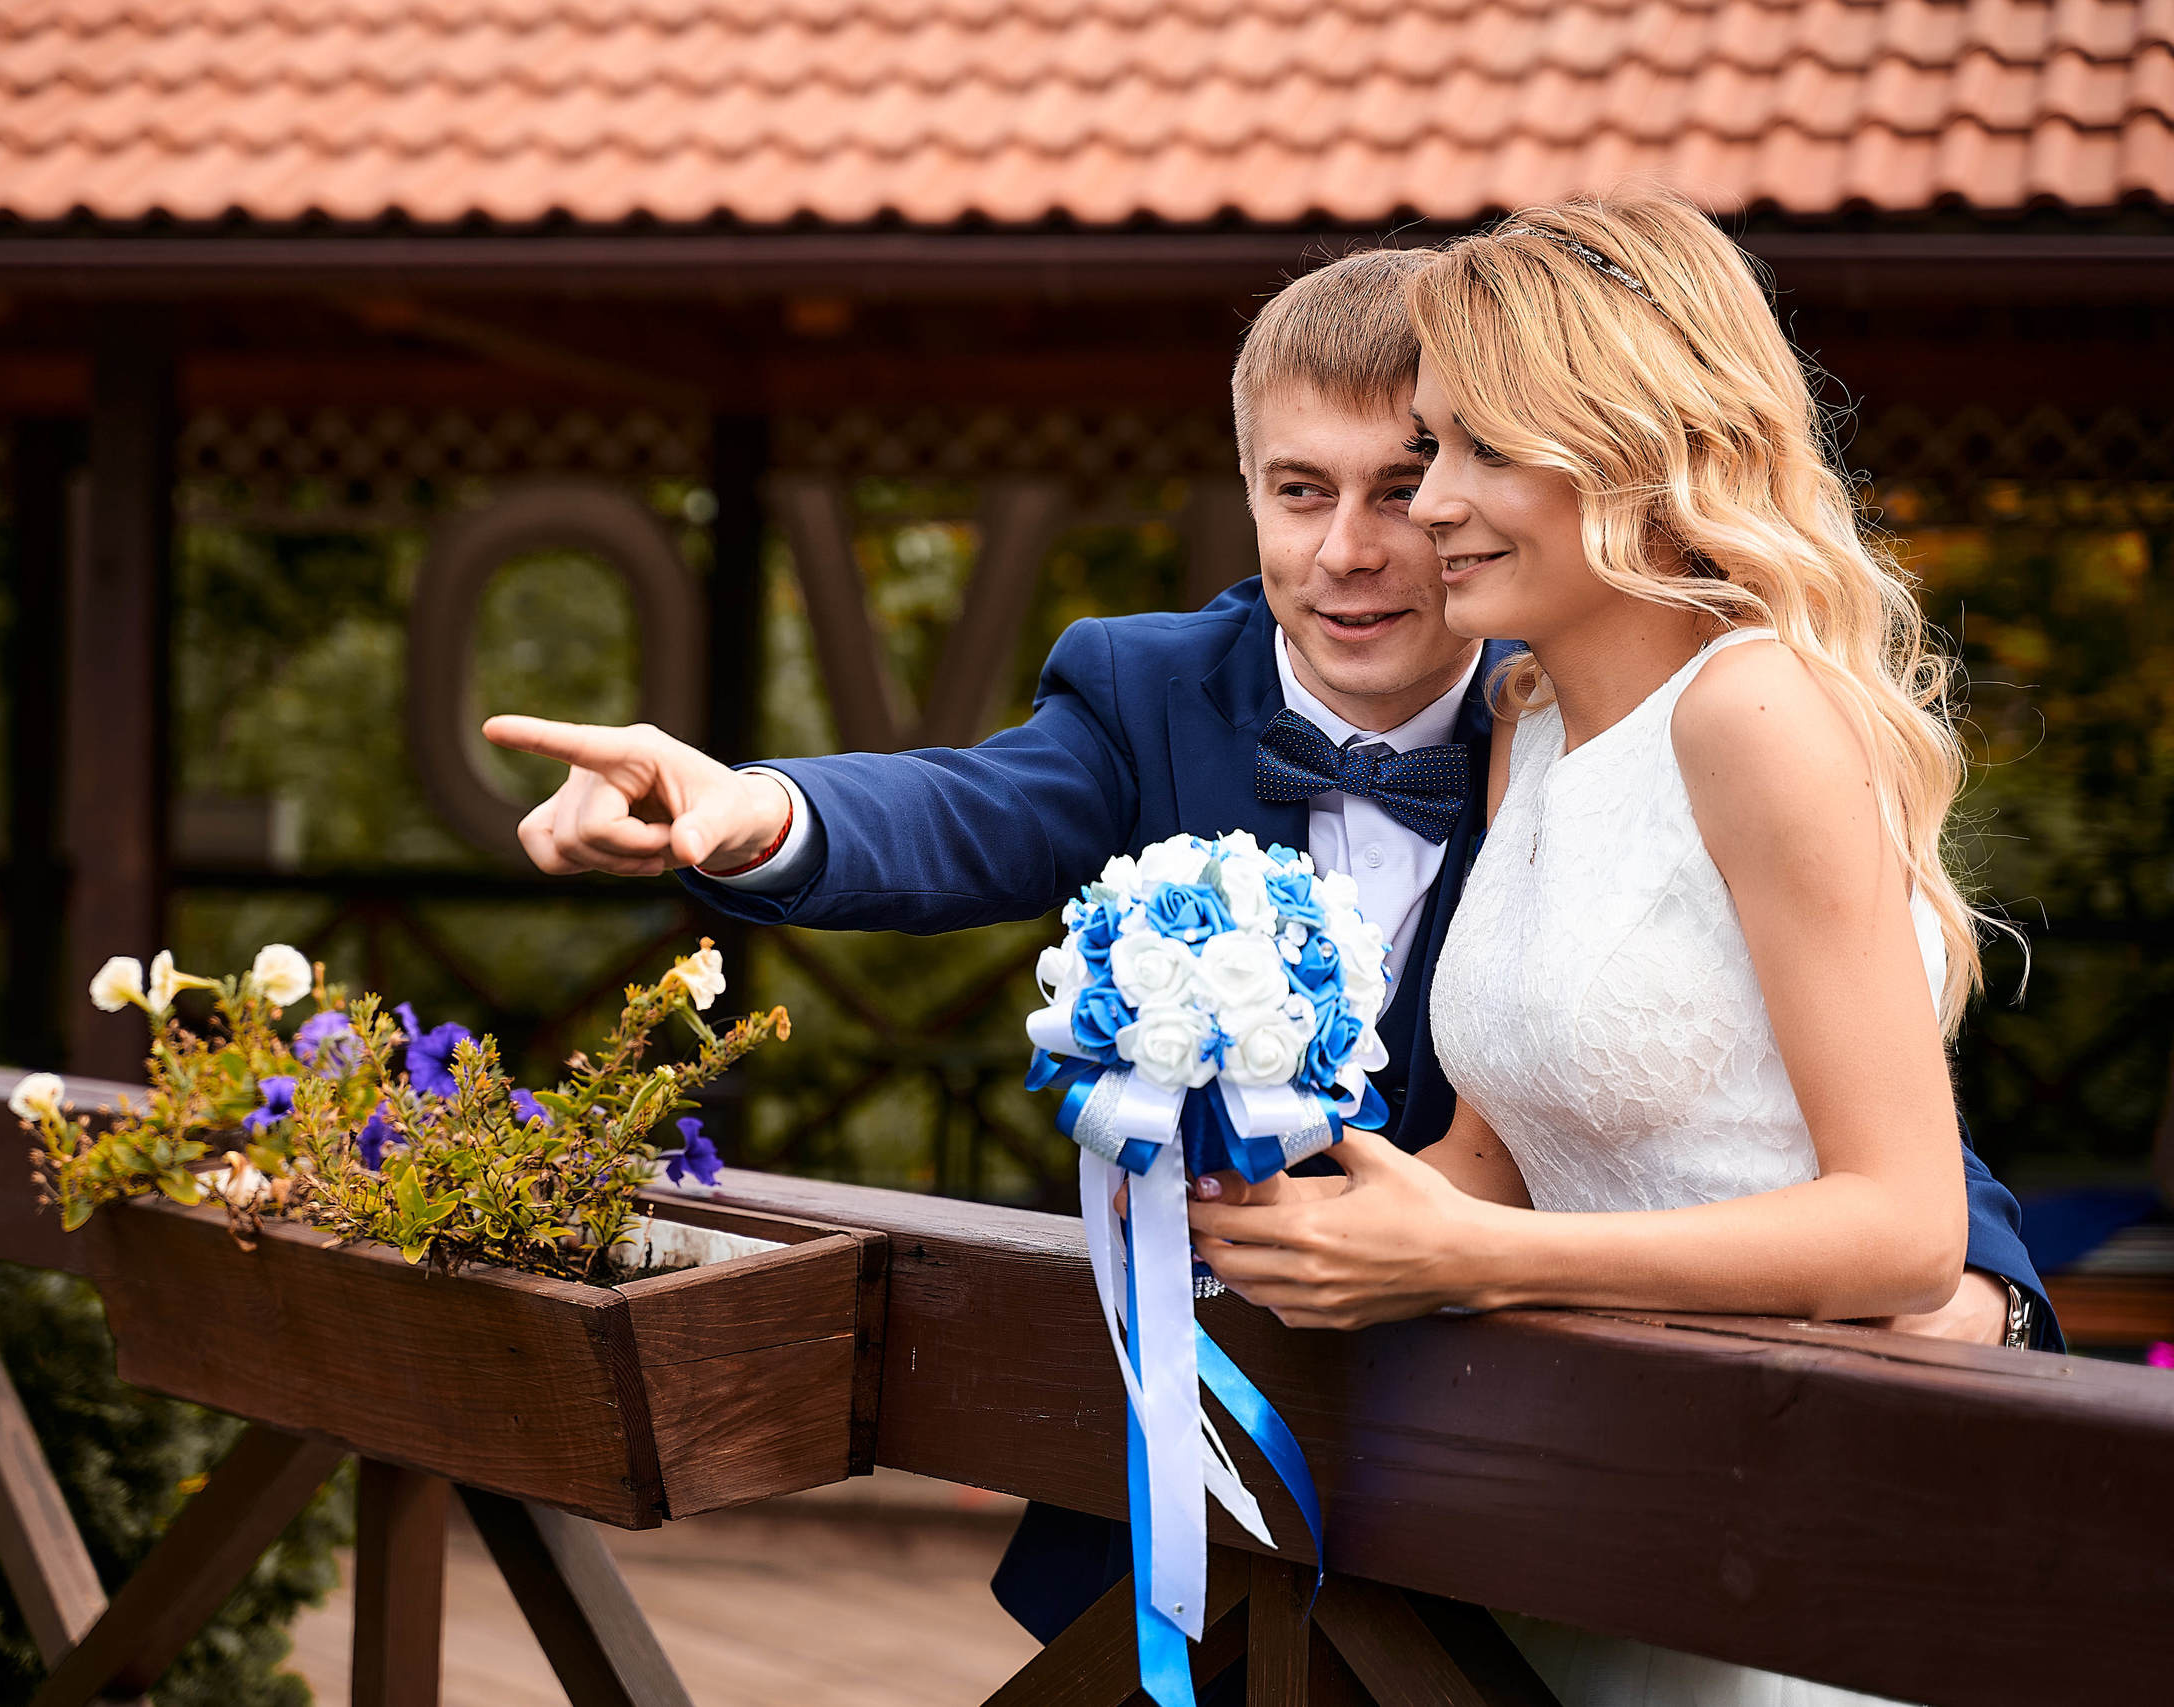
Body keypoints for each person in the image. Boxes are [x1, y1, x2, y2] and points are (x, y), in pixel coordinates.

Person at [482, 236, 2056, 1684]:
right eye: (1302, 493)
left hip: (1606, 1473)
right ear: (1241, 486)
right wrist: (751, 809)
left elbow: (1808, 1113)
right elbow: (969, 810)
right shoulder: (1293, 700)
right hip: (1227, 1480)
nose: (1370, 546)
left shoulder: (1629, 688)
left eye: (1418, 475)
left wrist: (1980, 1283)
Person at [1185, 190, 2035, 1702]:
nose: (1428, 503)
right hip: (1574, 1504)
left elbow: (1905, 1228)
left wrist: (1478, 1259)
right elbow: (1500, 1162)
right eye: (1438, 447)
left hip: (1789, 1517)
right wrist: (1268, 1205)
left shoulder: (1756, 712)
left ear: (1638, 453)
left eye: (1474, 451)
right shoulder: (1532, 728)